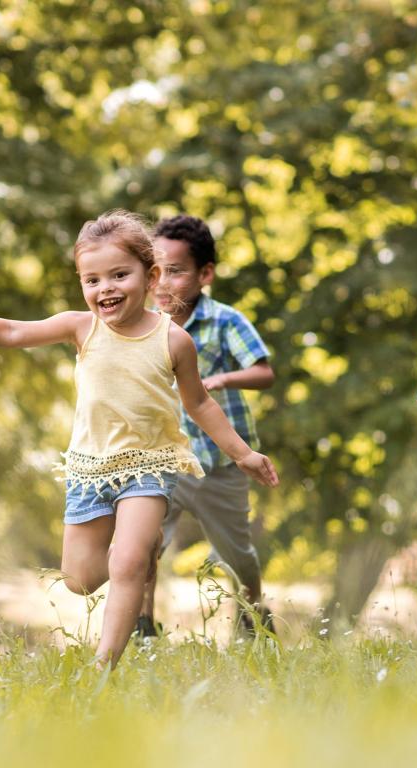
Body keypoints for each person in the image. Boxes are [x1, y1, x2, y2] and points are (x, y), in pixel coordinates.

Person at [0, 210, 279, 666]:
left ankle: (103, 664)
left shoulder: (173, 340)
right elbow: (11, 331)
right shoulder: (81, 327)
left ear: (151, 275)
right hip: (90, 469)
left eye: (119, 275)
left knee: (127, 564)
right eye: (92, 279)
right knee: (79, 579)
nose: (105, 289)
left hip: (149, 465)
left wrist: (242, 454)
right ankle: (134, 556)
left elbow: (200, 404)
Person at [136, 214, 276, 639]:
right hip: (162, 460)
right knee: (144, 545)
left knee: (239, 554)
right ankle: (142, 625)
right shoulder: (141, 325)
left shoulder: (224, 321)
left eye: (176, 272)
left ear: (205, 274)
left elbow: (263, 371)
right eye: (156, 272)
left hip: (218, 462)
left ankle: (254, 617)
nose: (163, 283)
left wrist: (222, 379)